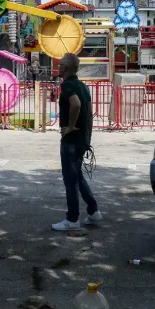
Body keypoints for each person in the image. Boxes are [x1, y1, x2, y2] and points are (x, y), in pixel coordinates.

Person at [51, 52, 102, 231]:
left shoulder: (68, 86)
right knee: (77, 177)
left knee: (70, 180)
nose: (58, 67)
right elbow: (89, 114)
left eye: (60, 65)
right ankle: (93, 211)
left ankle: (72, 219)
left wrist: (70, 127)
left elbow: (76, 104)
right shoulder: (83, 86)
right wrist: (88, 137)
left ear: (66, 68)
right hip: (82, 139)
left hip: (71, 141)